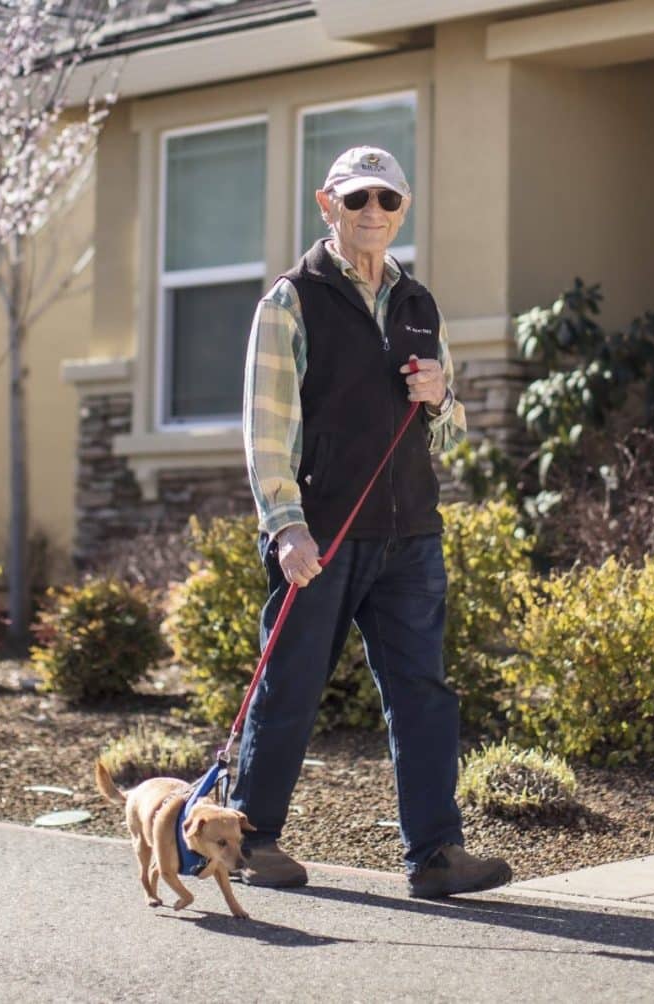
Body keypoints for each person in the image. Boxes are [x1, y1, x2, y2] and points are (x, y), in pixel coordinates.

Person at [232, 145, 513, 899]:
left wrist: (442, 397)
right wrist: (286, 525)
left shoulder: (419, 304)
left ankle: (435, 855)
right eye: (357, 199)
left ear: (403, 210)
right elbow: (267, 432)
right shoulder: (290, 301)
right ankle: (250, 837)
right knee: (290, 683)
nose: (372, 213)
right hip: (320, 535)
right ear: (328, 205)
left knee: (424, 692)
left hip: (411, 535)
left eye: (387, 200)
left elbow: (449, 437)